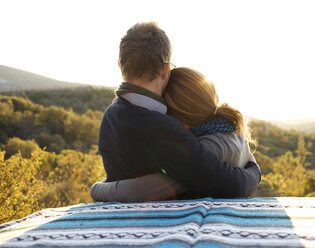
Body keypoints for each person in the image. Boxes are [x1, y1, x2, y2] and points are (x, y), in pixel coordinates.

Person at [92, 21, 261, 202]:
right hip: (162, 224)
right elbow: (232, 185)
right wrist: (254, 170)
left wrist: (97, 188)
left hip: (121, 221)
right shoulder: (165, 129)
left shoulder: (109, 118)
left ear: (120, 64)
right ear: (165, 69)